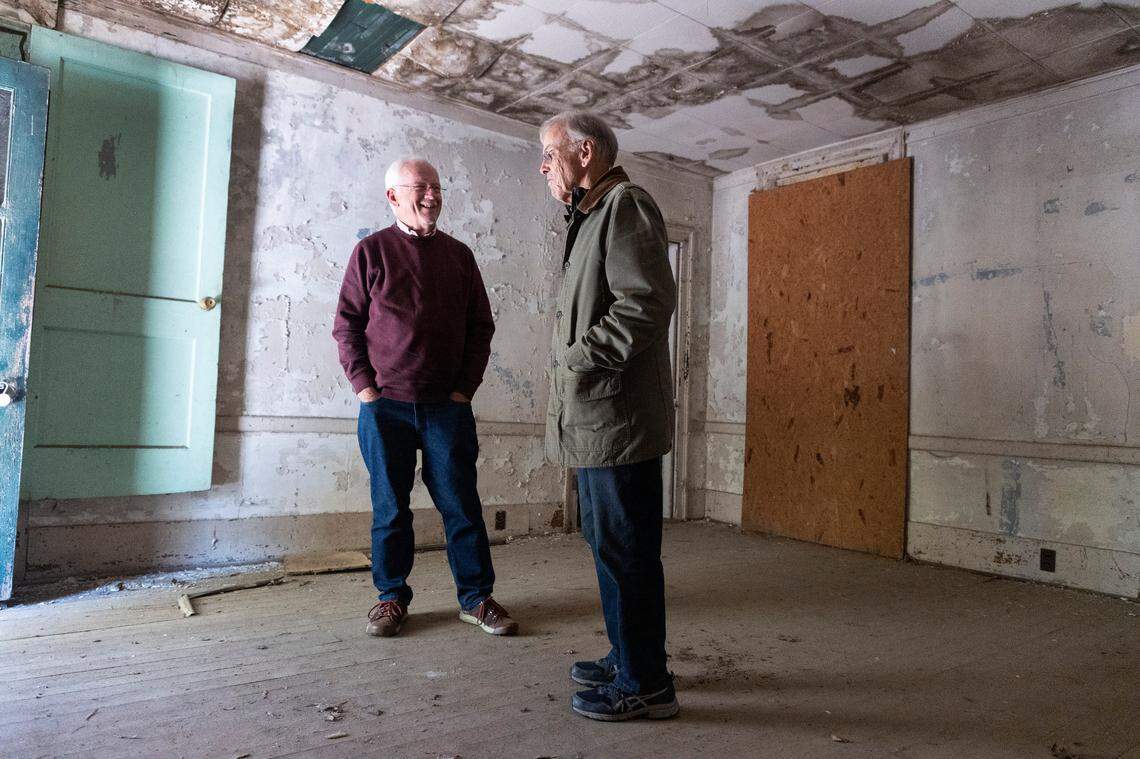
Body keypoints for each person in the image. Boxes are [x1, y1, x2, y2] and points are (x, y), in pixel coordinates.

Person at [333, 157, 517, 639]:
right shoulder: (370, 252)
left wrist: (463, 390)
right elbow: (347, 324)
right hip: (385, 408)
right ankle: (391, 598)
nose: (432, 196)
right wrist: (366, 389)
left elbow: (481, 328)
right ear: (393, 196)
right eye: (421, 187)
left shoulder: (460, 256)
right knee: (390, 508)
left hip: (446, 408)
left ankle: (477, 599)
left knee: (462, 506)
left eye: (436, 187)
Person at [539, 112, 678, 720]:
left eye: (550, 153)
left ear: (585, 151)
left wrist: (578, 361)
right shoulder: (590, 215)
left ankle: (647, 684)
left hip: (617, 420)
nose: (544, 166)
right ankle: (629, 657)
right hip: (598, 422)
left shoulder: (625, 205)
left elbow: (646, 304)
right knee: (608, 545)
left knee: (627, 551)